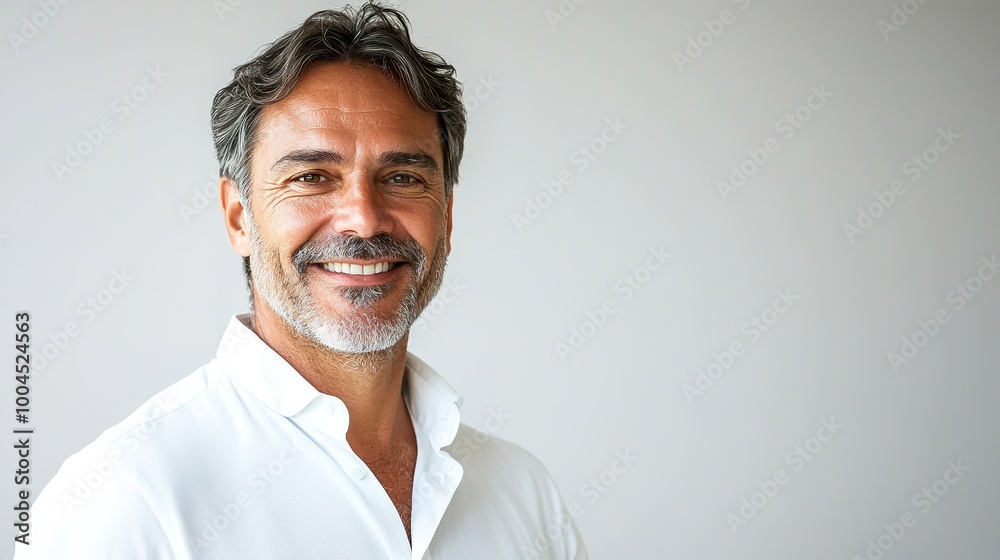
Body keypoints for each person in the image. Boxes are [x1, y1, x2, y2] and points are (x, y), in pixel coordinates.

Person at [15, 3, 587, 559]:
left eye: (403, 177)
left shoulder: (524, 495)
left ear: (448, 216)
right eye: (312, 177)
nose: (363, 218)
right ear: (238, 218)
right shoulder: (123, 502)